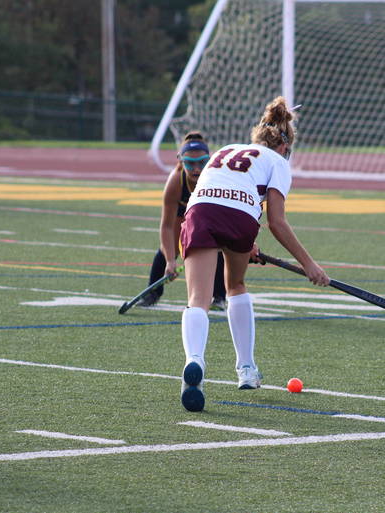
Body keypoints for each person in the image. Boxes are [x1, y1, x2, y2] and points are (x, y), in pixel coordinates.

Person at [174, 96, 330, 412]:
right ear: (285, 146)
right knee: (235, 286)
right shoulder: (278, 162)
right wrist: (309, 264)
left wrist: (241, 240)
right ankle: (246, 370)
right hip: (240, 218)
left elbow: (211, 196)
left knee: (198, 300)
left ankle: (195, 362)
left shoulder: (224, 150)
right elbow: (276, 221)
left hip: (201, 211)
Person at [139, 132, 227, 310]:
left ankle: (219, 296)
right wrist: (171, 261)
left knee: (217, 247)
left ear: (209, 161)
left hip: (209, 211)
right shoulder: (175, 182)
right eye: (190, 163)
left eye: (202, 162)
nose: (196, 168)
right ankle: (153, 293)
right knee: (168, 247)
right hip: (182, 212)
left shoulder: (217, 178)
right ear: (181, 161)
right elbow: (166, 227)